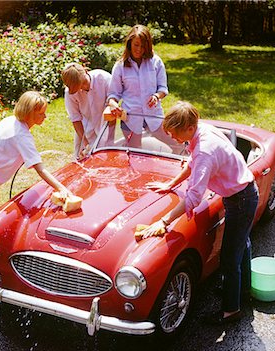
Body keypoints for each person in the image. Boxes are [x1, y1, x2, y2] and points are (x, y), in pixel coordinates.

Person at [143, 101, 259, 325]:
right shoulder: (200, 129)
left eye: (175, 134)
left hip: (241, 199)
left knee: (229, 257)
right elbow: (192, 163)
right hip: (240, 194)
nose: (173, 139)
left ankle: (231, 310)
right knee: (241, 245)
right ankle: (242, 292)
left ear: (188, 127)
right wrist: (171, 183)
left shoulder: (206, 149)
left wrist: (164, 221)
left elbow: (194, 197)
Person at [0, 91, 73, 224]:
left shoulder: (10, 121)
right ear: (30, 113)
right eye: (41, 113)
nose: (45, 116)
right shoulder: (21, 135)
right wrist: (62, 188)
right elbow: (40, 169)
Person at [106, 24, 183, 154]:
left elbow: (163, 88)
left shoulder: (156, 62)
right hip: (130, 118)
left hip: (154, 116)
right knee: (135, 155)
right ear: (129, 43)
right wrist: (113, 105)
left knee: (178, 145)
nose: (139, 49)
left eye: (143, 46)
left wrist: (156, 96)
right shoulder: (120, 66)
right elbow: (113, 94)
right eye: (136, 45)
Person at [62, 62, 113, 159]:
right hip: (84, 130)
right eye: (79, 87)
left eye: (83, 83)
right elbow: (75, 118)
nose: (83, 87)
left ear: (86, 71)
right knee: (80, 162)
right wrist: (85, 143)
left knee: (105, 160)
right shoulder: (70, 93)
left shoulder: (104, 78)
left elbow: (113, 102)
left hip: (105, 127)